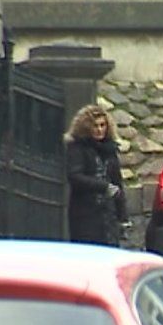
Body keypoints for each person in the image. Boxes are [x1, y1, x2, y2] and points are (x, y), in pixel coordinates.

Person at [64, 104, 129, 246]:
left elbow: (117, 182)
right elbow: (75, 176)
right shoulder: (78, 148)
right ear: (87, 127)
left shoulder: (110, 149)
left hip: (108, 213)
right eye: (95, 126)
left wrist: (122, 217)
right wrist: (103, 186)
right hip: (85, 213)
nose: (100, 130)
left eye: (102, 125)